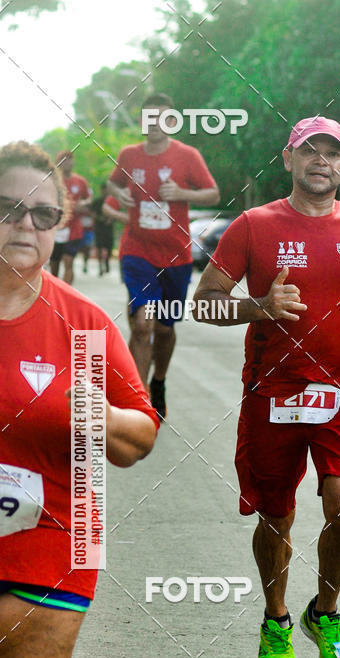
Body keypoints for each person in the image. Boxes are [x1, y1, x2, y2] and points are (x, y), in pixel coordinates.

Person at [193, 116, 340, 658]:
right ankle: (276, 620)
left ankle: (326, 613)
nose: (321, 160)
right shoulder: (252, 225)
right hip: (272, 393)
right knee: (276, 515)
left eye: (332, 152)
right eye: (308, 150)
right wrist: (258, 307)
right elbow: (205, 302)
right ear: (288, 159)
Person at [0, 141, 159, 658]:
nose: (23, 224)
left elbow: (141, 436)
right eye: (8, 208)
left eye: (41, 212)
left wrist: (92, 412)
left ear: (61, 226)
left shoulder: (84, 324)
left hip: (57, 537)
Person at [107, 92, 220, 419]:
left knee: (166, 329)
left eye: (162, 118)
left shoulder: (187, 156)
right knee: (143, 324)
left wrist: (183, 193)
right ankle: (136, 402)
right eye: (149, 118)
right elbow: (112, 185)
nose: (154, 125)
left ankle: (158, 381)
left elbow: (214, 193)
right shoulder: (129, 155)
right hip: (137, 251)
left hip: (175, 257)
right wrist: (121, 195)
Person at [49, 149, 91, 285]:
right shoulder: (52, 181)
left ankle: (67, 293)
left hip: (74, 229)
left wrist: (83, 203)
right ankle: (55, 290)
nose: (68, 162)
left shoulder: (80, 181)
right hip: (55, 228)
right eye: (64, 159)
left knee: (69, 261)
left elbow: (89, 198)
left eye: (70, 159)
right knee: (54, 264)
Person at [89, 182, 125, 276]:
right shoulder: (97, 201)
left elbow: (118, 212)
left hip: (109, 228)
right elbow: (91, 212)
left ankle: (107, 263)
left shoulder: (112, 201)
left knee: (109, 246)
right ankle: (101, 266)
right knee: (99, 246)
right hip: (99, 228)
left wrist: (111, 219)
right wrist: (99, 219)